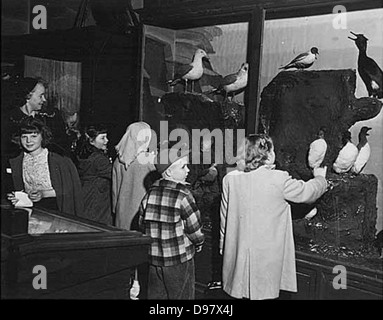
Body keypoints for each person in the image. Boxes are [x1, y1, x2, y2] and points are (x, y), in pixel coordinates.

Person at [220, 134, 328, 300]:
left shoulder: (230, 180)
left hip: (238, 256)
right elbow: (307, 193)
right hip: (267, 259)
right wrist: (320, 178)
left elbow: (224, 220)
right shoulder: (279, 178)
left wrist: (223, 248)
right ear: (269, 155)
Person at [138, 146, 205, 300]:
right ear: (168, 172)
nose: (188, 170)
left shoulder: (150, 193)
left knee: (156, 296)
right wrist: (199, 242)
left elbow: (142, 223)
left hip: (154, 258)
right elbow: (194, 227)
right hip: (178, 259)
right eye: (183, 166)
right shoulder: (183, 194)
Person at [7, 117, 83, 215]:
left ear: (42, 136)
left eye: (34, 136)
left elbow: (70, 190)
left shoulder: (59, 160)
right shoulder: (17, 160)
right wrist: (16, 196)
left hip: (56, 209)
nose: (28, 141)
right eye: (24, 137)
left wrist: (43, 194)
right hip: (29, 211)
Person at [3, 77, 71, 158]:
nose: (44, 99)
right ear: (28, 96)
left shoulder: (51, 117)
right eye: (41, 96)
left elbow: (62, 146)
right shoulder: (9, 120)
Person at [112, 121, 158, 230]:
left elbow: (115, 191)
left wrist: (115, 210)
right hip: (142, 215)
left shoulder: (118, 161)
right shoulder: (149, 160)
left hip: (121, 213)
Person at [75, 124, 113, 225]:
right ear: (91, 140)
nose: (107, 141)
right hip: (97, 200)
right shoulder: (99, 159)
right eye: (102, 138)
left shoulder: (82, 155)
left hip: (85, 196)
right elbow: (114, 174)